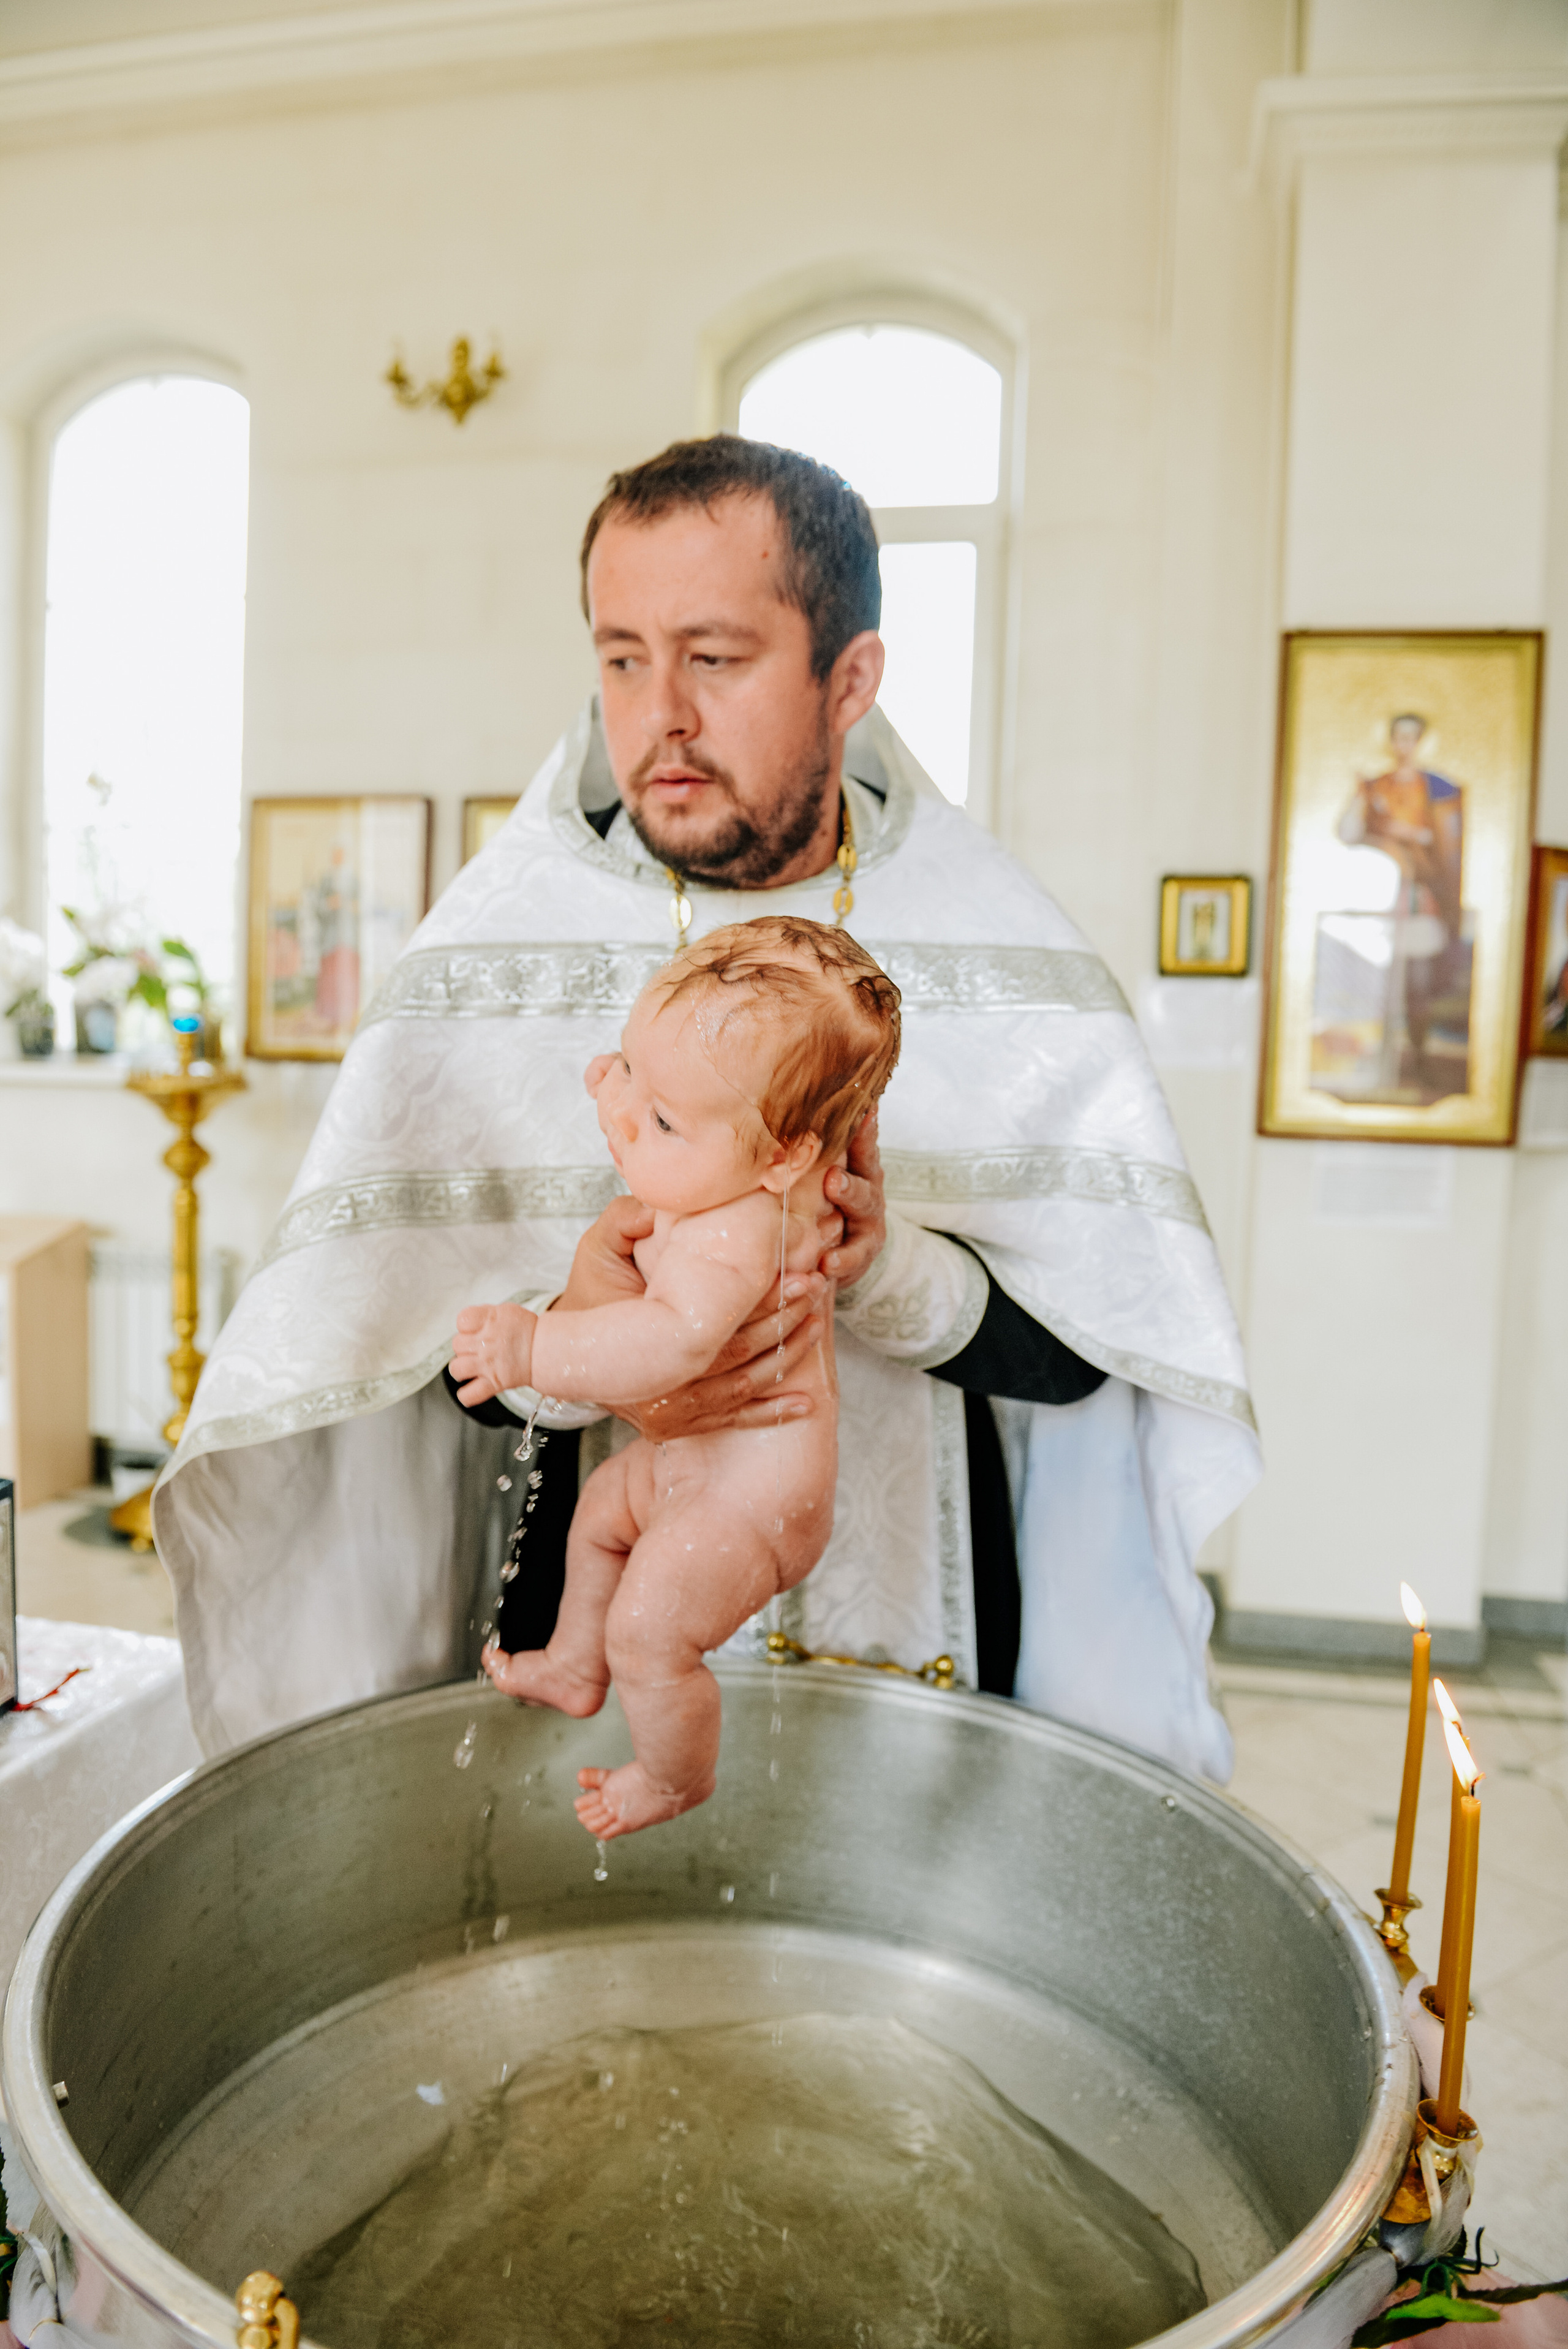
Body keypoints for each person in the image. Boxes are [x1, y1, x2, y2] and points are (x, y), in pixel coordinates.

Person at [154, 434, 1259, 1782]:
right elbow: (390, 1353)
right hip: (600, 1598)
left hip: (930, 1642)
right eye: (621, 656)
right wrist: (580, 1329)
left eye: (714, 658)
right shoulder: (502, 944)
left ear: (846, 679)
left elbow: (1100, 1346)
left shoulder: (996, 943)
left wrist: (887, 1268)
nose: (657, 713)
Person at [451, 917, 900, 1837]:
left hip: (753, 1506)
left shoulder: (737, 1232)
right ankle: (575, 1663)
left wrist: (535, 1348)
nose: (617, 1113)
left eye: (658, 1118)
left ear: (784, 1158)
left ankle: (671, 1775)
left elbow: (671, 1344)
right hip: (700, 1470)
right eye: (621, 1065)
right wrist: (638, 1090)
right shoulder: (746, 1160)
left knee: (653, 1632)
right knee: (605, 1513)